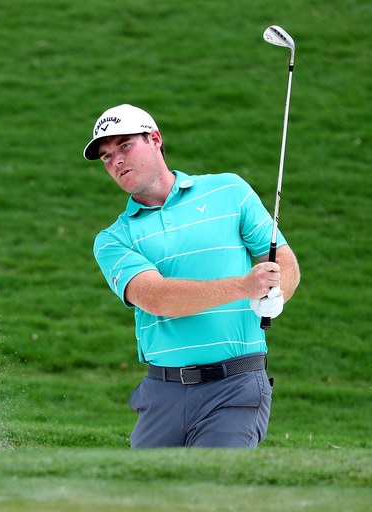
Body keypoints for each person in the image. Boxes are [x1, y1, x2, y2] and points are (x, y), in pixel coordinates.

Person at [84, 104, 300, 448]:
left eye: (125, 146)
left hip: (234, 386)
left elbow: (283, 261)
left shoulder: (229, 192)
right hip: (161, 393)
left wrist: (278, 293)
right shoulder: (113, 238)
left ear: (154, 139)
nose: (117, 161)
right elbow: (157, 298)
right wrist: (245, 287)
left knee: (211, 491)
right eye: (107, 157)